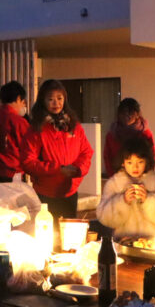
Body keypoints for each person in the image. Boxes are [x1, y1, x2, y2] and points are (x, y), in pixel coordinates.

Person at [20, 79, 93, 221]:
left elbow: (86, 152)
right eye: (50, 99)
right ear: (43, 101)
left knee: (70, 233)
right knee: (48, 235)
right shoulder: (37, 129)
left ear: (65, 99)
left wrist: (79, 170)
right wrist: (57, 169)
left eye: (59, 98)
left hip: (70, 190)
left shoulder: (73, 125)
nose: (56, 103)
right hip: (45, 193)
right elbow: (28, 162)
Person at [97, 137, 155, 238]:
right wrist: (122, 201)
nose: (135, 167)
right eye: (130, 162)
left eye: (140, 162)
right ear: (123, 163)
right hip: (124, 242)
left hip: (153, 243)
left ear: (147, 162)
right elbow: (104, 218)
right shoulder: (114, 184)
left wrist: (149, 200)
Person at [0, 80, 30, 184]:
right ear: (18, 99)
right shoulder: (19, 122)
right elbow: (28, 149)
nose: (23, 106)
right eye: (22, 102)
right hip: (13, 175)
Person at [103, 97, 155, 178]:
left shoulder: (145, 134)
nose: (127, 115)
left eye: (130, 112)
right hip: (118, 178)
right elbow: (107, 156)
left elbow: (151, 156)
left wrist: (146, 176)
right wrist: (113, 176)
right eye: (123, 112)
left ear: (137, 114)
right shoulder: (112, 134)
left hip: (140, 178)